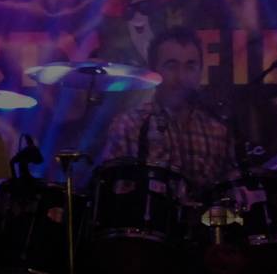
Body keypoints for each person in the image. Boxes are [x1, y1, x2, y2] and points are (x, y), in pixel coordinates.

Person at [101, 25, 236, 198]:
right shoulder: (129, 125)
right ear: (153, 72)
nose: (181, 77)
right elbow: (109, 194)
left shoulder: (218, 131)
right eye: (172, 66)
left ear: (201, 71)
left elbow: (230, 197)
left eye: (190, 66)